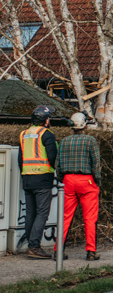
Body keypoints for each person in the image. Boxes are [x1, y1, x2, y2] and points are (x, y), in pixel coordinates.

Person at [54, 112, 102, 261]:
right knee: (89, 218)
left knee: (65, 217)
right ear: (84, 125)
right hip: (86, 181)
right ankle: (91, 251)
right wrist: (97, 181)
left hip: (68, 181)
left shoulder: (64, 141)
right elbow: (96, 163)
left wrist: (63, 179)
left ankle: (58, 251)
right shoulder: (90, 141)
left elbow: (58, 165)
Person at [18, 105, 58, 259]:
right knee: (42, 213)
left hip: (27, 178)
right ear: (45, 120)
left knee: (30, 213)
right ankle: (34, 247)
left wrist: (25, 173)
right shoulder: (46, 134)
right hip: (42, 178)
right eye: (49, 118)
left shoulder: (24, 134)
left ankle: (31, 244)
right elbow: (53, 157)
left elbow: (20, 159)